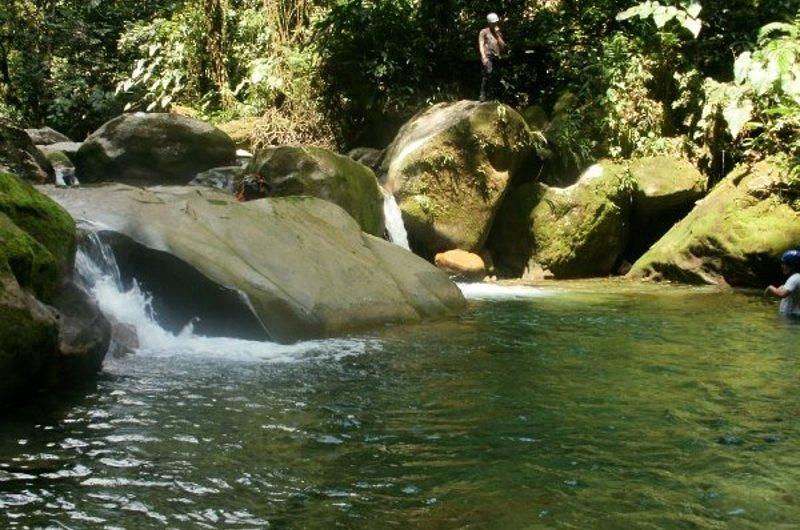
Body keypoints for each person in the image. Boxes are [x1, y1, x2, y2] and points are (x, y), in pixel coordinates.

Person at [479, 13, 506, 102]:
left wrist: (497, 34)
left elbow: (502, 46)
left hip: (496, 57)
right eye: (493, 23)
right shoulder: (484, 32)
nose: (495, 24)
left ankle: (493, 96)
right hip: (488, 56)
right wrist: (483, 57)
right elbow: (481, 44)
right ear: (489, 23)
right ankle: (483, 95)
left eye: (496, 22)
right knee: (487, 75)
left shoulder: (498, 33)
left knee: (496, 76)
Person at [765, 249, 800, 317]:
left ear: (792, 265)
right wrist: (782, 287)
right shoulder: (797, 277)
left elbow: (782, 294)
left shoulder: (795, 278)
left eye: (784, 263)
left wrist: (770, 288)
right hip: (793, 316)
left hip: (790, 317)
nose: (782, 266)